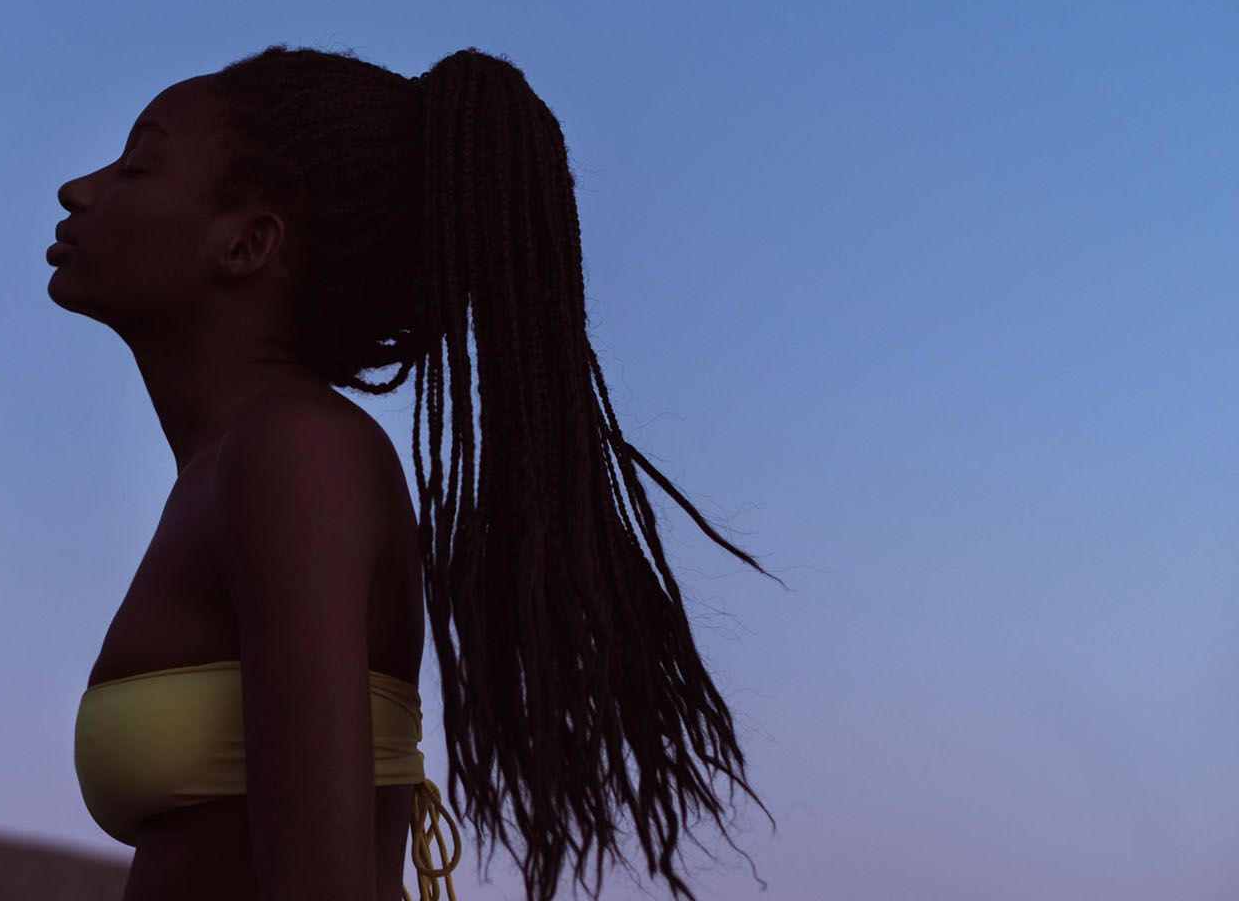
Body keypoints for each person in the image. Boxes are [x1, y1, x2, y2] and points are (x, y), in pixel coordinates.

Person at [51, 44, 781, 901]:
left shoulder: (293, 455)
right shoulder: (239, 464)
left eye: (137, 166)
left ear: (246, 244)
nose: (80, 189)